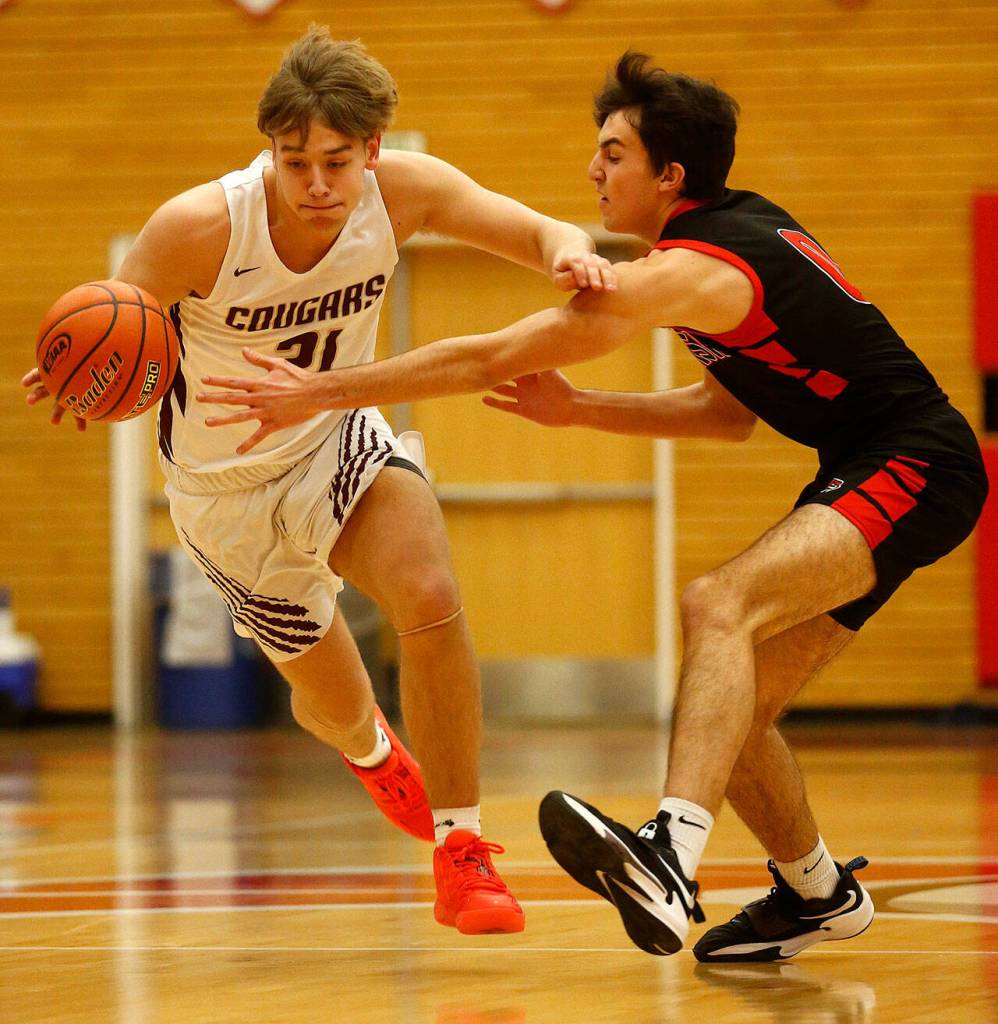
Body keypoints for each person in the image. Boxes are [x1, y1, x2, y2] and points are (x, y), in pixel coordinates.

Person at [190, 51, 988, 960]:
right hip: (883, 465)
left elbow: (488, 356)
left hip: (917, 461)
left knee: (714, 604)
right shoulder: (724, 245)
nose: (593, 171)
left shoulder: (690, 267)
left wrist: (322, 390)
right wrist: (580, 409)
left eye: (613, 154)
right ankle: (816, 892)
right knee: (736, 709)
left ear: (670, 175)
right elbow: (726, 416)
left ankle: (670, 851)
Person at [21, 25, 620, 937]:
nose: (315, 183)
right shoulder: (199, 228)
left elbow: (536, 227)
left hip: (334, 439)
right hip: (225, 500)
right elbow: (116, 323)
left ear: (373, 150)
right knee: (336, 711)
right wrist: (78, 371)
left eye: (336, 162)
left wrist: (569, 256)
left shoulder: (406, 193)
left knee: (428, 591)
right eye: (293, 160)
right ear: (269, 149)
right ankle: (375, 752)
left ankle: (462, 854)